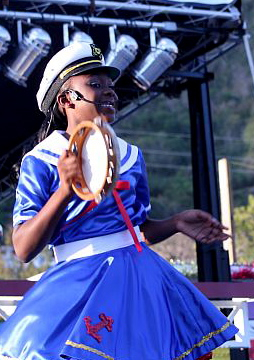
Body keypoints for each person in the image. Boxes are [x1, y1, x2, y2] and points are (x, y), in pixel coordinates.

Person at [0, 42, 238, 360]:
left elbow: (136, 229)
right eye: (95, 84)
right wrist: (65, 190)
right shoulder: (42, 159)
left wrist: (176, 222)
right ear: (65, 100)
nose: (109, 92)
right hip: (82, 283)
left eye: (111, 85)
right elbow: (24, 248)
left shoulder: (130, 154)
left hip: (143, 278)